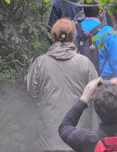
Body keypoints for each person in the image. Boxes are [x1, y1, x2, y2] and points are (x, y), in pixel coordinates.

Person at [27, 18, 99, 152]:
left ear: (53, 36)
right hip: (79, 139)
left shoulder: (40, 63)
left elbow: (32, 92)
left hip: (47, 140)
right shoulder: (86, 63)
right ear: (73, 36)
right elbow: (96, 95)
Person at [80, 4, 117, 81]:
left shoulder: (75, 29)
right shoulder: (108, 32)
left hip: (80, 82)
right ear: (100, 12)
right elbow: (116, 61)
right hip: (103, 82)